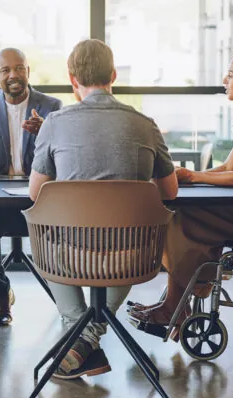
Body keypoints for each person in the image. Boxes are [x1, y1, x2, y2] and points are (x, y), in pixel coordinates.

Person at [128, 34, 233, 339]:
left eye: (232, 74)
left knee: (177, 218)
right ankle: (177, 303)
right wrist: (190, 176)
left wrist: (194, 178)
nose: (225, 79)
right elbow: (227, 169)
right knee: (180, 210)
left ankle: (175, 306)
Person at [28, 39, 179, 379]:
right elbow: (169, 191)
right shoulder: (145, 124)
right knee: (132, 233)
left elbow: (36, 193)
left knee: (44, 227)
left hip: (68, 255)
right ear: (113, 75)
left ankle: (78, 332)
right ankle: (86, 338)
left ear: (72, 79)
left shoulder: (54, 123)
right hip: (132, 256)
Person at [0, 48, 63, 326]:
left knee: (65, 226)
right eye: (6, 70)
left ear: (28, 72)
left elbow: (66, 155)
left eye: (19, 68)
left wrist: (47, 131)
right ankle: (1, 293)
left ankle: (68, 299)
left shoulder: (52, 107)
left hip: (39, 195)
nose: (14, 75)